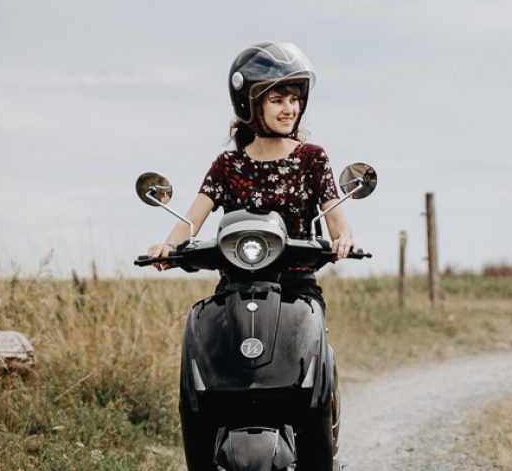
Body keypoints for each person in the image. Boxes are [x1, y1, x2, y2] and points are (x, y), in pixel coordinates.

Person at [146, 41, 358, 305]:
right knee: (202, 330)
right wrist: (167, 247)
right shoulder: (228, 165)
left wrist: (343, 240)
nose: (290, 109)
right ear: (251, 105)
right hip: (235, 288)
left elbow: (336, 221)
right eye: (278, 100)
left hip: (296, 289)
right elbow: (191, 221)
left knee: (307, 335)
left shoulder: (311, 158)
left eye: (294, 100)